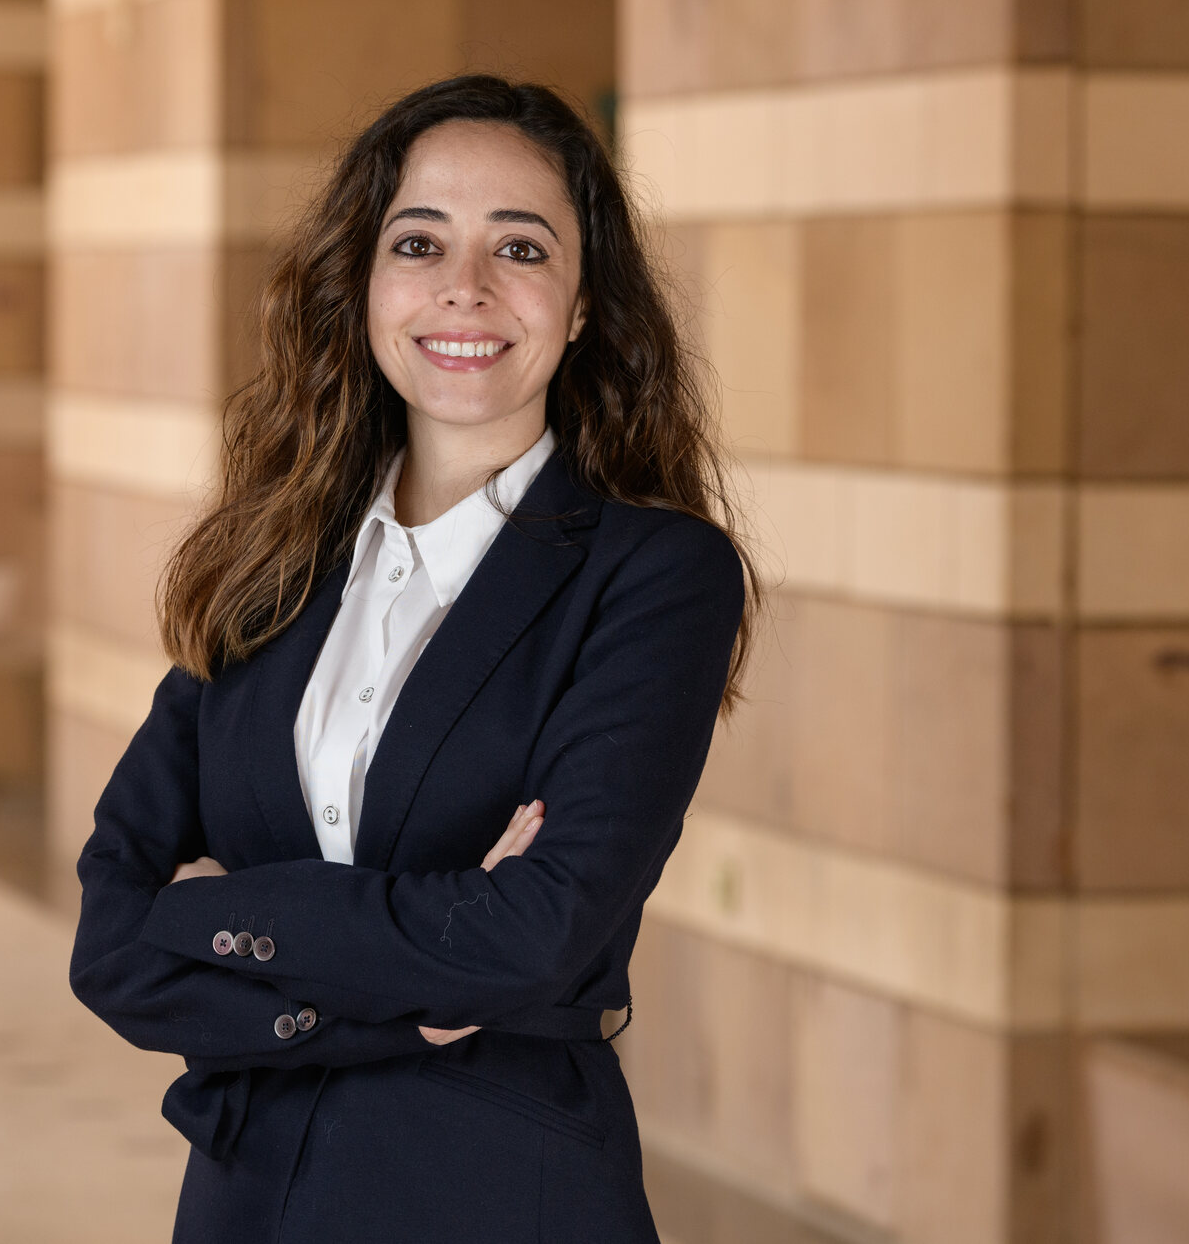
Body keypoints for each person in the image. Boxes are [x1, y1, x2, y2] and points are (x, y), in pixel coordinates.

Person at [68, 73, 756, 1243]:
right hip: (247, 1195)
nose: (465, 288)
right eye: (419, 240)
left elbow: (533, 933)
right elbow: (113, 940)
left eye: (522, 248)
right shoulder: (270, 561)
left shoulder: (654, 577)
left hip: (497, 1191)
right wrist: (397, 999)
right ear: (367, 282)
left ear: (584, 305)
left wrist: (229, 912)